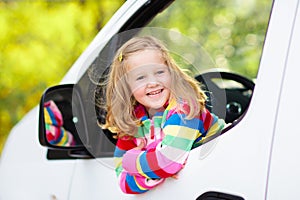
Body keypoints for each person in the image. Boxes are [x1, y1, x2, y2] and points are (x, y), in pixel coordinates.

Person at [99, 36, 225, 194]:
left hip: (222, 169)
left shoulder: (184, 108)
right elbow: (123, 183)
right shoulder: (134, 121)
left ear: (171, 72)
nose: (152, 82)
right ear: (126, 87)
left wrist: (132, 160)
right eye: (140, 77)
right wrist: (153, 167)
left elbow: (167, 163)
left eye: (159, 72)